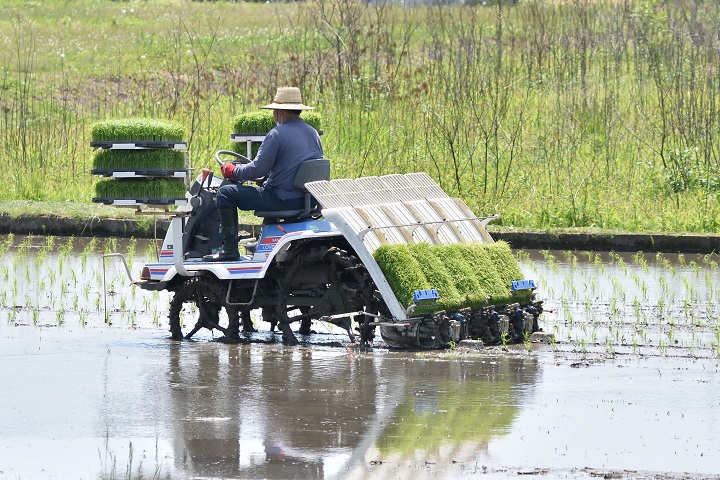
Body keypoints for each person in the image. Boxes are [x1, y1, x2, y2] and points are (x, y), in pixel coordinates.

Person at [204, 87, 323, 262]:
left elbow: (257, 170)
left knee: (226, 193)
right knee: (267, 186)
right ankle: (263, 241)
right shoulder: (312, 133)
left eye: (275, 110)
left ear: (280, 111)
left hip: (282, 199)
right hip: (308, 200)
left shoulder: (276, 135)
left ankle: (229, 250)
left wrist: (233, 171)